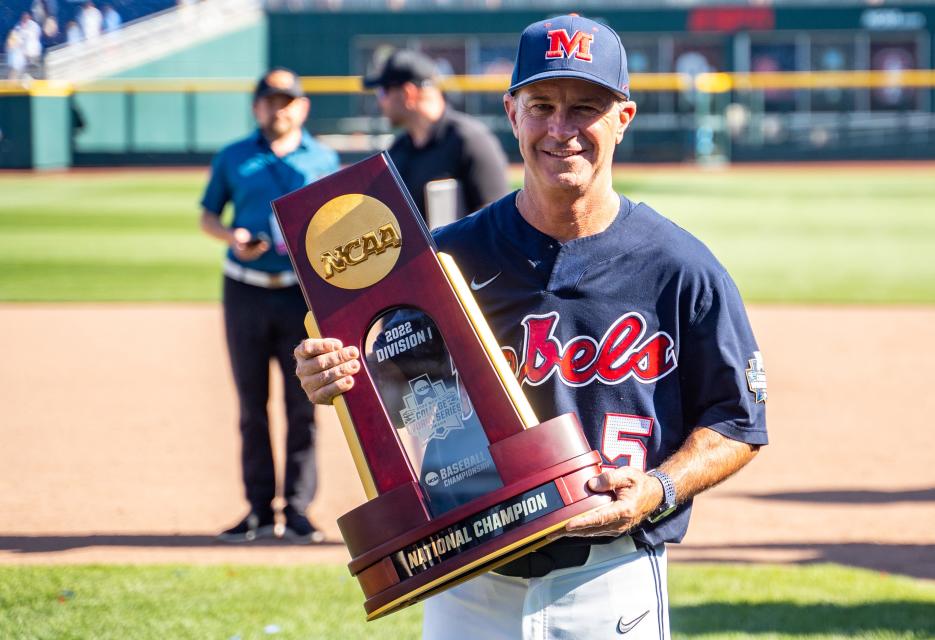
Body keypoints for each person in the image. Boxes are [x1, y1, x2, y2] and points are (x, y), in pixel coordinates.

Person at [295, 14, 767, 639]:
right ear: (512, 113)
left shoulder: (680, 268)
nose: (561, 129)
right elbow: (397, 387)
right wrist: (338, 373)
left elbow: (737, 423)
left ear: (622, 118)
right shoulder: (443, 263)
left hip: (613, 575)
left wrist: (658, 488)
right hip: (468, 575)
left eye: (586, 107)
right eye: (541, 104)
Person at [200, 68, 340, 544]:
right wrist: (232, 236)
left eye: (287, 101)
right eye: (269, 101)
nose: (278, 109)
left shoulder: (323, 158)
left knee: (303, 403)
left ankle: (298, 510)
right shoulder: (234, 157)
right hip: (245, 288)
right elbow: (207, 216)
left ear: (301, 107)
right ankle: (258, 511)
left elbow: (336, 220)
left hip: (300, 294)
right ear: (256, 107)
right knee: (250, 403)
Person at [363, 49, 509, 227]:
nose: (380, 102)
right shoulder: (398, 150)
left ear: (408, 93)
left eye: (383, 92)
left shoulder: (470, 139)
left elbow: (499, 222)